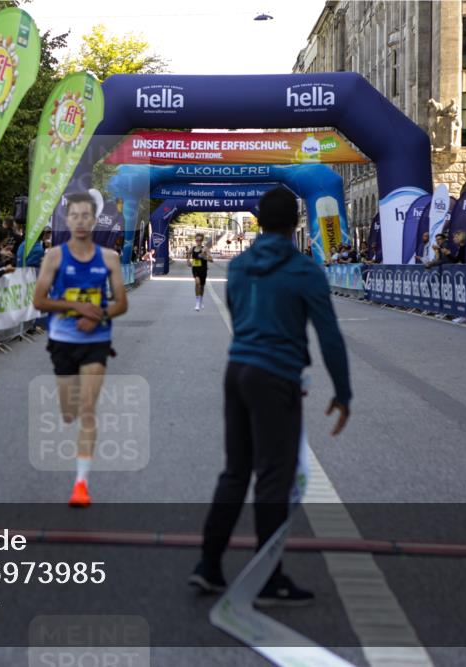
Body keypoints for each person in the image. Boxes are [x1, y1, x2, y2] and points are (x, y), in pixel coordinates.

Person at [189, 186, 351, 606]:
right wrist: (343, 392)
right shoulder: (304, 269)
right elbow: (329, 334)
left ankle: (208, 564)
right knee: (274, 478)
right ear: (295, 223)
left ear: (259, 222)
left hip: (237, 369)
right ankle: (268, 578)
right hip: (276, 375)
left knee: (235, 471)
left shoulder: (240, 265)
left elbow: (237, 309)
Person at [32, 192, 129, 508]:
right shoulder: (54, 257)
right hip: (63, 340)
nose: (81, 221)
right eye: (75, 216)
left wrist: (98, 315)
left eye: (86, 216)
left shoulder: (109, 258)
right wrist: (76, 307)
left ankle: (81, 484)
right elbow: (39, 301)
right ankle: (79, 474)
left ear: (94, 219)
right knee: (68, 412)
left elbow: (121, 304)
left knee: (87, 410)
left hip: (96, 342)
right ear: (67, 219)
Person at [187, 233, 213, 311]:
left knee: (201, 286)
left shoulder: (205, 249)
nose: (198, 241)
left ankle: (201, 300)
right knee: (197, 283)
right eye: (197, 240)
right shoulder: (192, 248)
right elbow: (188, 254)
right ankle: (197, 302)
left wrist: (204, 257)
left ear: (202, 240)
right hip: (195, 269)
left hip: (203, 269)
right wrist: (188, 261)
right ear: (195, 240)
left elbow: (211, 260)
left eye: (200, 240)